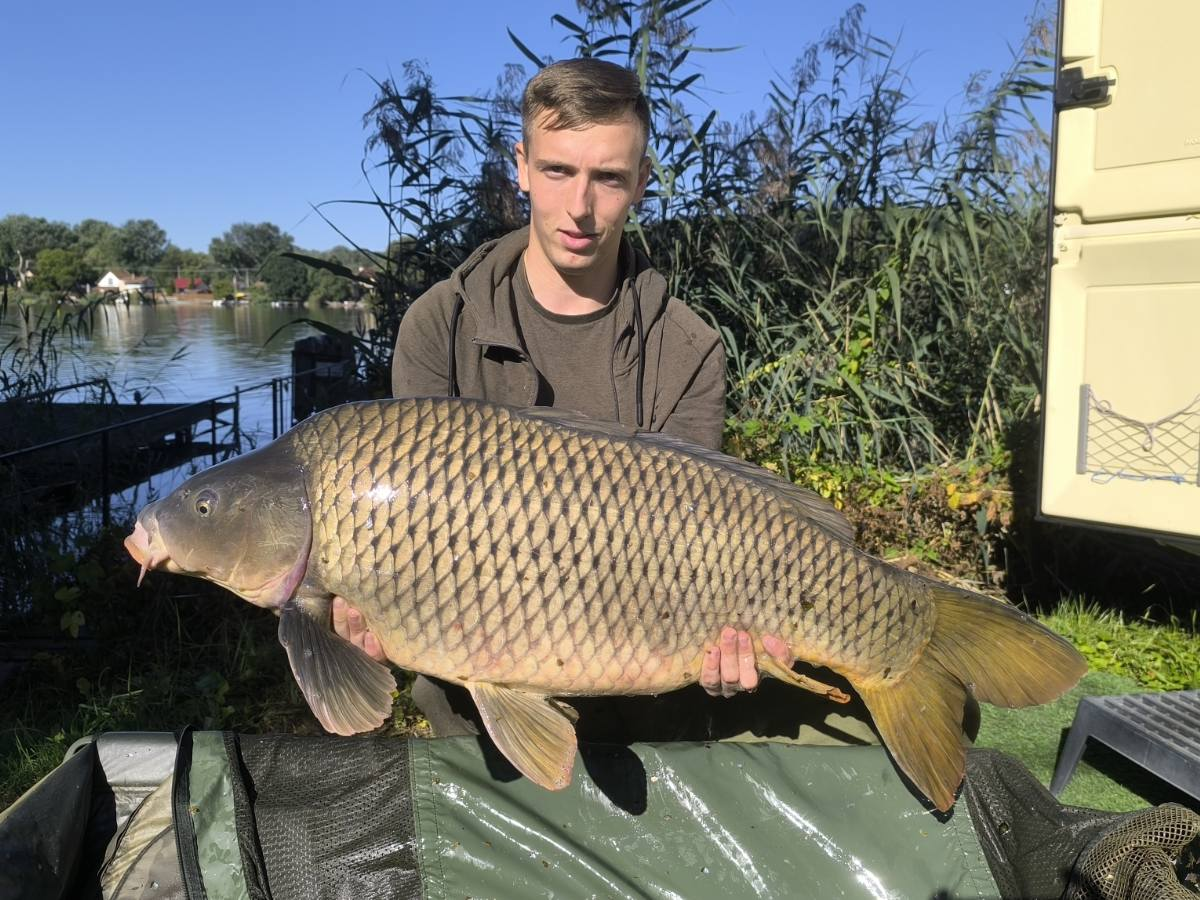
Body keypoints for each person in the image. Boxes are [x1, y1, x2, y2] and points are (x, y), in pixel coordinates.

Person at [334, 57, 873, 745]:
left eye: (609, 178)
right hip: (477, 717)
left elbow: (699, 550)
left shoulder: (687, 348)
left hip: (645, 710)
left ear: (641, 182)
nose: (580, 207)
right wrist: (370, 613)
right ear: (522, 167)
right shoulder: (440, 325)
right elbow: (412, 535)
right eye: (558, 170)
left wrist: (724, 651)